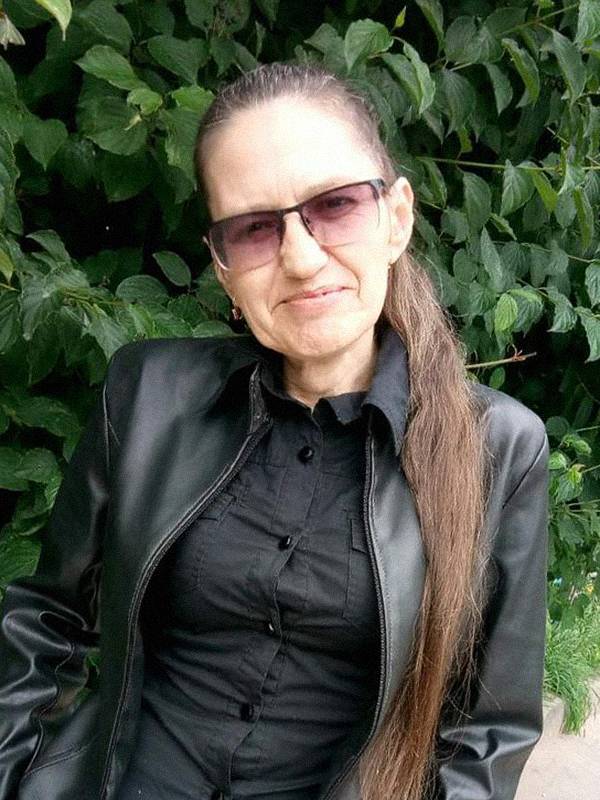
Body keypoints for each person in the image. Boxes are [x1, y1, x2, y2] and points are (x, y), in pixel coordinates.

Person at [0, 62, 550, 800]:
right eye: (255, 229)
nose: (300, 257)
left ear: (397, 218)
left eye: (336, 205)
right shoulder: (145, 393)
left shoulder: (499, 448)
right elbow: (45, 617)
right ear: (223, 266)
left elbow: (487, 734)